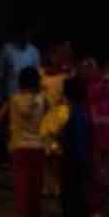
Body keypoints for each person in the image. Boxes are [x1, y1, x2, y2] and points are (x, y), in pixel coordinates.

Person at [48, 77, 92, 217]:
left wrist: (58, 138)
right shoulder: (83, 112)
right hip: (82, 157)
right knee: (78, 190)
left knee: (68, 193)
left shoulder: (71, 114)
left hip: (71, 157)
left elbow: (67, 137)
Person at [4, 66, 45, 217]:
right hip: (38, 144)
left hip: (19, 144)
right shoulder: (42, 99)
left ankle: (23, 213)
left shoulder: (14, 99)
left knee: (22, 181)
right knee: (36, 182)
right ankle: (35, 212)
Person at [81, 57, 109, 217]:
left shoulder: (97, 89)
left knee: (98, 173)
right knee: (98, 173)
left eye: (89, 67)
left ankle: (96, 210)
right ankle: (95, 209)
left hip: (99, 136)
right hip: (97, 136)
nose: (86, 71)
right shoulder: (98, 88)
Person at [40, 37, 75, 199]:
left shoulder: (69, 73)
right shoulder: (42, 72)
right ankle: (49, 185)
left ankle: (60, 185)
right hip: (46, 116)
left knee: (58, 154)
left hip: (62, 116)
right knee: (47, 153)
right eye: (54, 54)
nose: (57, 57)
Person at [0, 30, 41, 102]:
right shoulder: (6, 50)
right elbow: (1, 75)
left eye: (26, 35)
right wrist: (3, 96)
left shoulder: (34, 51)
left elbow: (38, 74)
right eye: (22, 34)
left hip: (29, 98)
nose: (24, 37)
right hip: (12, 95)